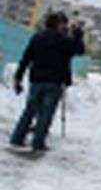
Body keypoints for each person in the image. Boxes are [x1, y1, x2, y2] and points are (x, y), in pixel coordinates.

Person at [9, 11, 85, 152]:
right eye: (64, 24)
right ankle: (38, 142)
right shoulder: (63, 40)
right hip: (54, 82)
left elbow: (25, 59)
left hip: (36, 80)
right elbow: (79, 50)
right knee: (46, 113)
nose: (65, 27)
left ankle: (17, 138)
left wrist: (18, 77)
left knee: (29, 111)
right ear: (60, 24)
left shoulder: (37, 38)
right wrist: (78, 34)